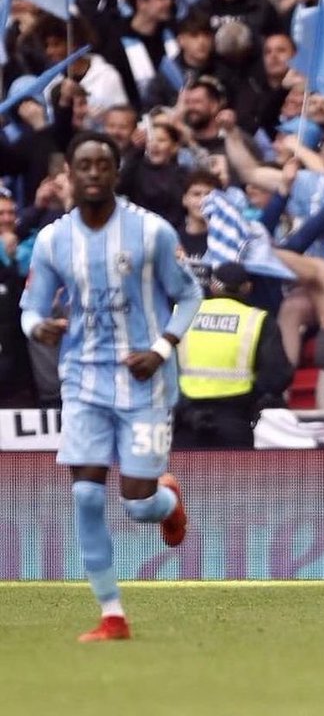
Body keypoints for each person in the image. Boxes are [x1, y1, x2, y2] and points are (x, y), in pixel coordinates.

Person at [19, 131, 203, 642]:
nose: (94, 173)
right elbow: (30, 307)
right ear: (69, 176)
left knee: (137, 503)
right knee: (85, 495)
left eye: (103, 164)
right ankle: (112, 615)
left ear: (117, 173)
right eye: (84, 165)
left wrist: (161, 348)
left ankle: (167, 499)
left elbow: (189, 297)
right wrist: (38, 327)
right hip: (82, 381)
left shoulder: (152, 233)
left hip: (145, 384)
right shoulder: (54, 239)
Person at [174, 262, 292, 449]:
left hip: (185, 420)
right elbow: (278, 375)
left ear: (212, 286)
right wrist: (254, 396)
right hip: (233, 420)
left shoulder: (184, 313)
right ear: (247, 288)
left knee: (185, 477)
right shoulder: (257, 320)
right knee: (234, 478)